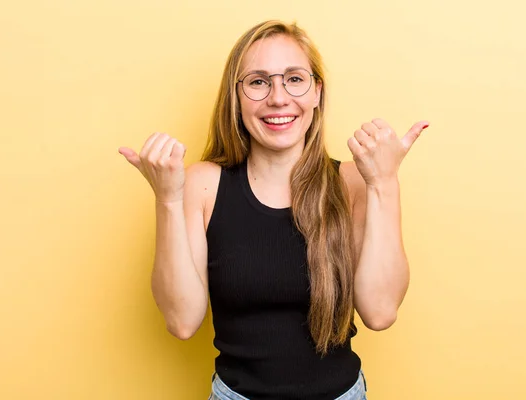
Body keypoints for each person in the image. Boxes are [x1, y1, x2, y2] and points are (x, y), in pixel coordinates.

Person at [118, 20, 429, 400]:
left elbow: (380, 313)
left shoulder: (354, 183)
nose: (278, 98)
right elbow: (182, 321)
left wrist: (384, 183)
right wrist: (167, 198)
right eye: (258, 81)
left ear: (317, 92)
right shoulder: (201, 184)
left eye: (294, 79)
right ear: (236, 97)